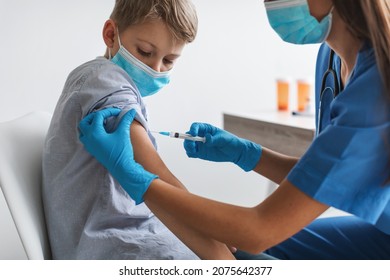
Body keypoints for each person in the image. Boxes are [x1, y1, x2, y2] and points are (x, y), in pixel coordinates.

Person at [78, 0, 390, 259]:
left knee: (238, 250)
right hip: (381, 231)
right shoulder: (332, 57)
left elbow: (258, 230)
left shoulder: (374, 92)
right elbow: (330, 177)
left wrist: (138, 181)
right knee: (239, 251)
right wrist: (245, 153)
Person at [42, 0, 235, 260]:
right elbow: (156, 174)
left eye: (169, 60)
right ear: (111, 35)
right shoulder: (105, 80)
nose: (155, 69)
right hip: (118, 250)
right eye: (145, 52)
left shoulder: (100, 79)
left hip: (139, 239)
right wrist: (218, 249)